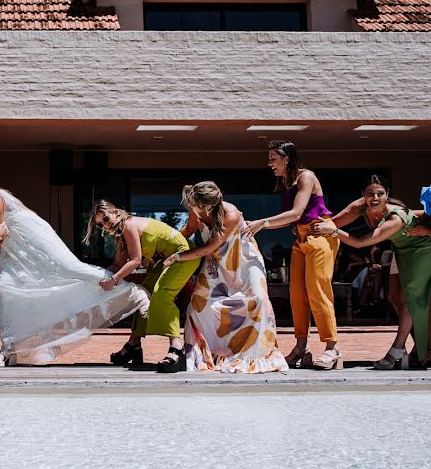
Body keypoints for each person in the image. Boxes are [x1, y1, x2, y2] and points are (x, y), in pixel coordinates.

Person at [0, 159, 150, 367]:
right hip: (14, 246)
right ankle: (9, 350)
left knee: (69, 267)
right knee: (7, 289)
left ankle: (132, 292)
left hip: (33, 235)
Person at [312, 176, 431, 368]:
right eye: (370, 193)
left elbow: (360, 242)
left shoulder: (395, 218)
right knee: (395, 297)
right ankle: (418, 347)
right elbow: (333, 222)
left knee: (411, 297)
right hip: (400, 249)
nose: (374, 197)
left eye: (380, 194)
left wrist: (332, 232)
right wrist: (309, 228)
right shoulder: (361, 206)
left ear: (387, 195)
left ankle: (399, 348)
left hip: (421, 250)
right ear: (363, 195)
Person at [168, 182, 287, 373]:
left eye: (196, 206)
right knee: (200, 304)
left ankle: (255, 355)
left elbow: (209, 247)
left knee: (258, 300)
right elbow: (188, 230)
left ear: (207, 206)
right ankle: (212, 352)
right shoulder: (195, 206)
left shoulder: (232, 214)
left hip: (244, 260)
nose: (193, 208)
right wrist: (167, 246)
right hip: (216, 263)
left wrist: (178, 257)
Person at [243, 140, 341, 370]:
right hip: (301, 239)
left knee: (318, 291)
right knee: (297, 295)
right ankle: (301, 347)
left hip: (319, 236)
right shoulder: (287, 181)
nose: (269, 164)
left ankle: (332, 348)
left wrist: (263, 223)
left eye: (272, 159)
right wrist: (259, 225)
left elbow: (296, 213)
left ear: (286, 158)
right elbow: (291, 218)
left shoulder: (306, 177)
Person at [86, 200, 199, 373]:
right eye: (100, 225)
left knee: (161, 293)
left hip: (183, 255)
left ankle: (177, 349)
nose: (105, 226)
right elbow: (117, 265)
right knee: (142, 293)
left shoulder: (129, 225)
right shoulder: (121, 234)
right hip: (165, 261)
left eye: (106, 219)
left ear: (115, 213)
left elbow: (136, 260)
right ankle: (134, 345)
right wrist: (96, 279)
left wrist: (114, 280)